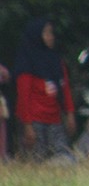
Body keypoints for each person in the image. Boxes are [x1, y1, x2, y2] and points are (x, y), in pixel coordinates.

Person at [13, 17, 76, 162]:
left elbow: (65, 89)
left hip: (54, 118)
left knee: (63, 157)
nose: (51, 37)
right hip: (35, 120)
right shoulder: (27, 62)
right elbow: (23, 96)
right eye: (46, 33)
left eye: (51, 33)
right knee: (36, 160)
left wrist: (70, 113)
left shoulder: (56, 61)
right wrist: (27, 125)